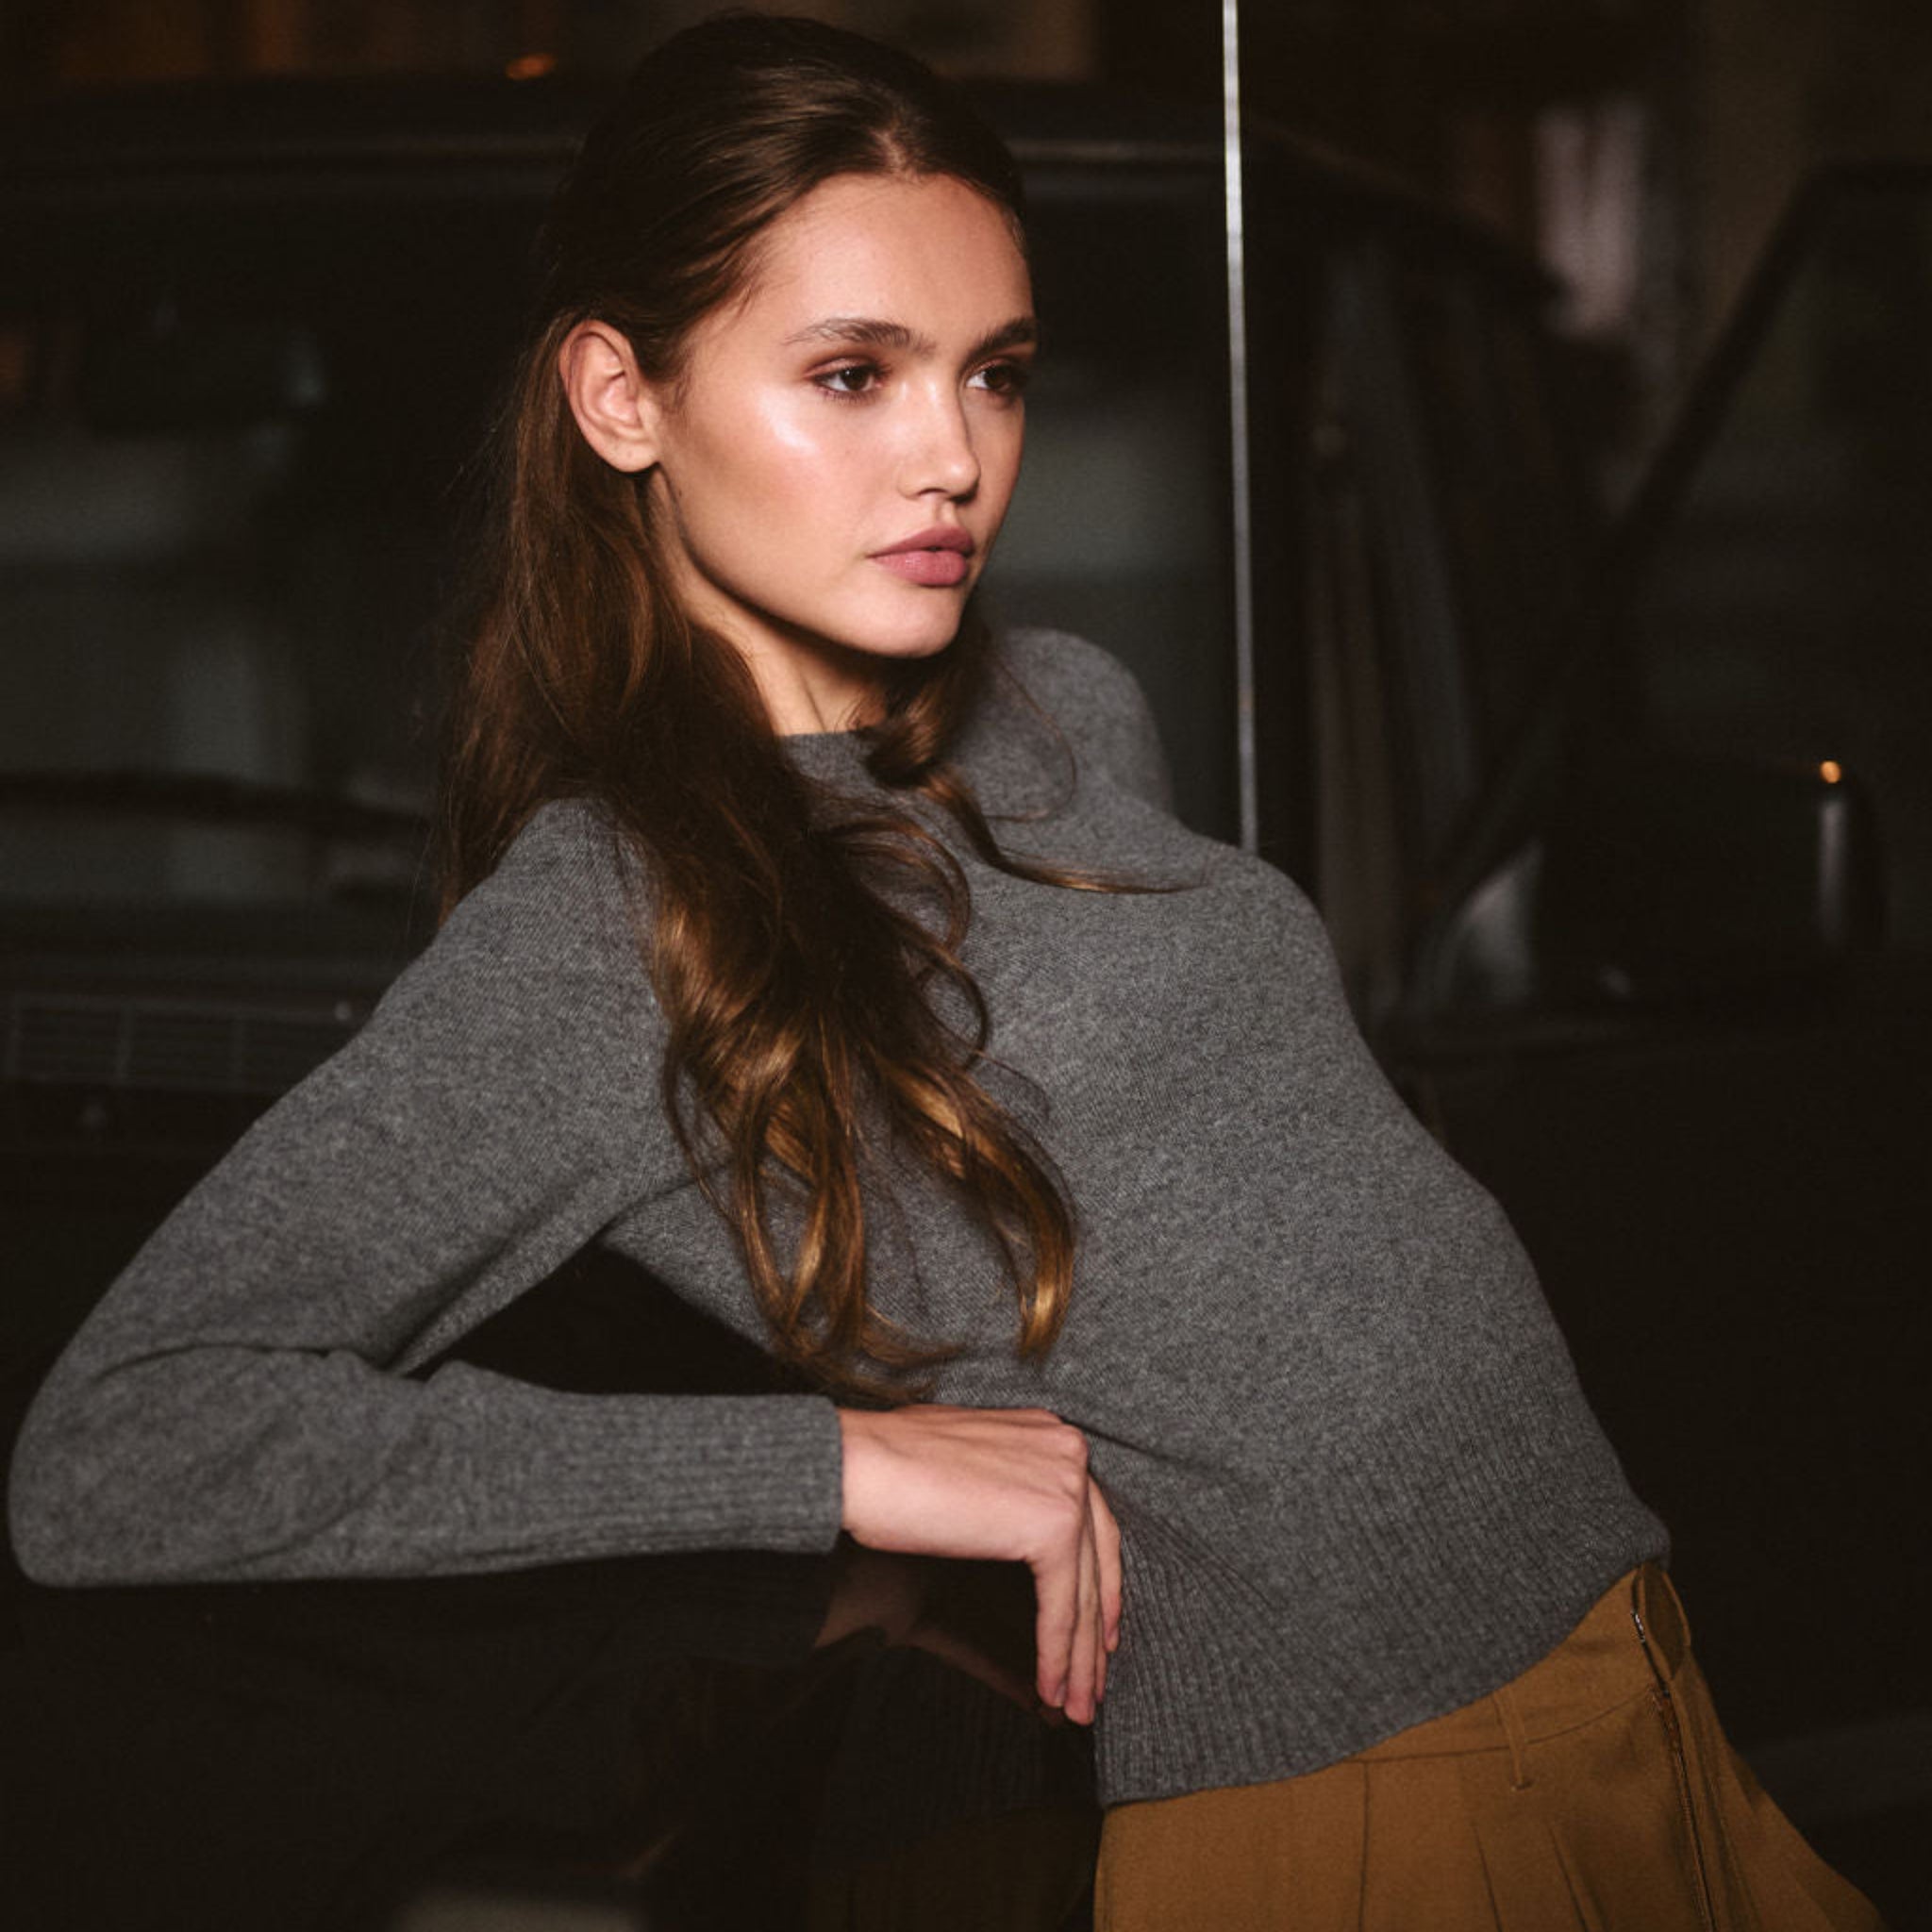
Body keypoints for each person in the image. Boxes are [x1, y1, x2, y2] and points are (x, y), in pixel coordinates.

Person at [4, 14, 1886, 1930]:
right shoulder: (604, 918)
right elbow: (123, 1441)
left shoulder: (1066, 708)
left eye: (992, 374)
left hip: (1616, 1665)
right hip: (1344, 1803)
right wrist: (838, 1463)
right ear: (618, 396)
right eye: (852, 373)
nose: (954, 461)